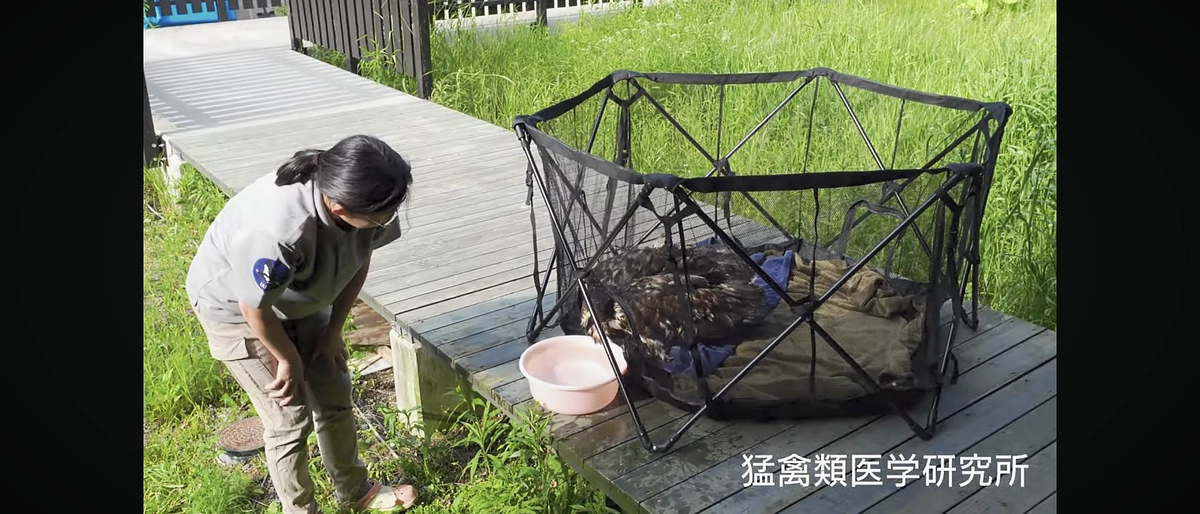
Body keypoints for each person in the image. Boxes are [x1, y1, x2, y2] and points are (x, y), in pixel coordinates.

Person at [186, 134, 418, 513]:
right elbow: (255, 310)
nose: (390, 218)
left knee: (333, 389)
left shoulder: (370, 200)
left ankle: (356, 491)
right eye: (383, 216)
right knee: (289, 420)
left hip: (300, 298)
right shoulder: (277, 230)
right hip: (237, 310)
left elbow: (359, 259)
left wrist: (332, 331)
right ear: (340, 208)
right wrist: (289, 359)